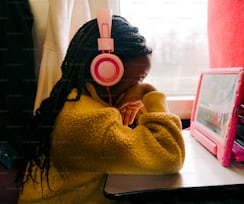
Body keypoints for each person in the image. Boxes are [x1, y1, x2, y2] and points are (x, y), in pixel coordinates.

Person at [16, 14, 185, 203]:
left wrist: (139, 105)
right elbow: (169, 156)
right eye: (139, 79)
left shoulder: (78, 101)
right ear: (106, 71)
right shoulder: (85, 121)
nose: (138, 87)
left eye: (143, 81)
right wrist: (150, 93)